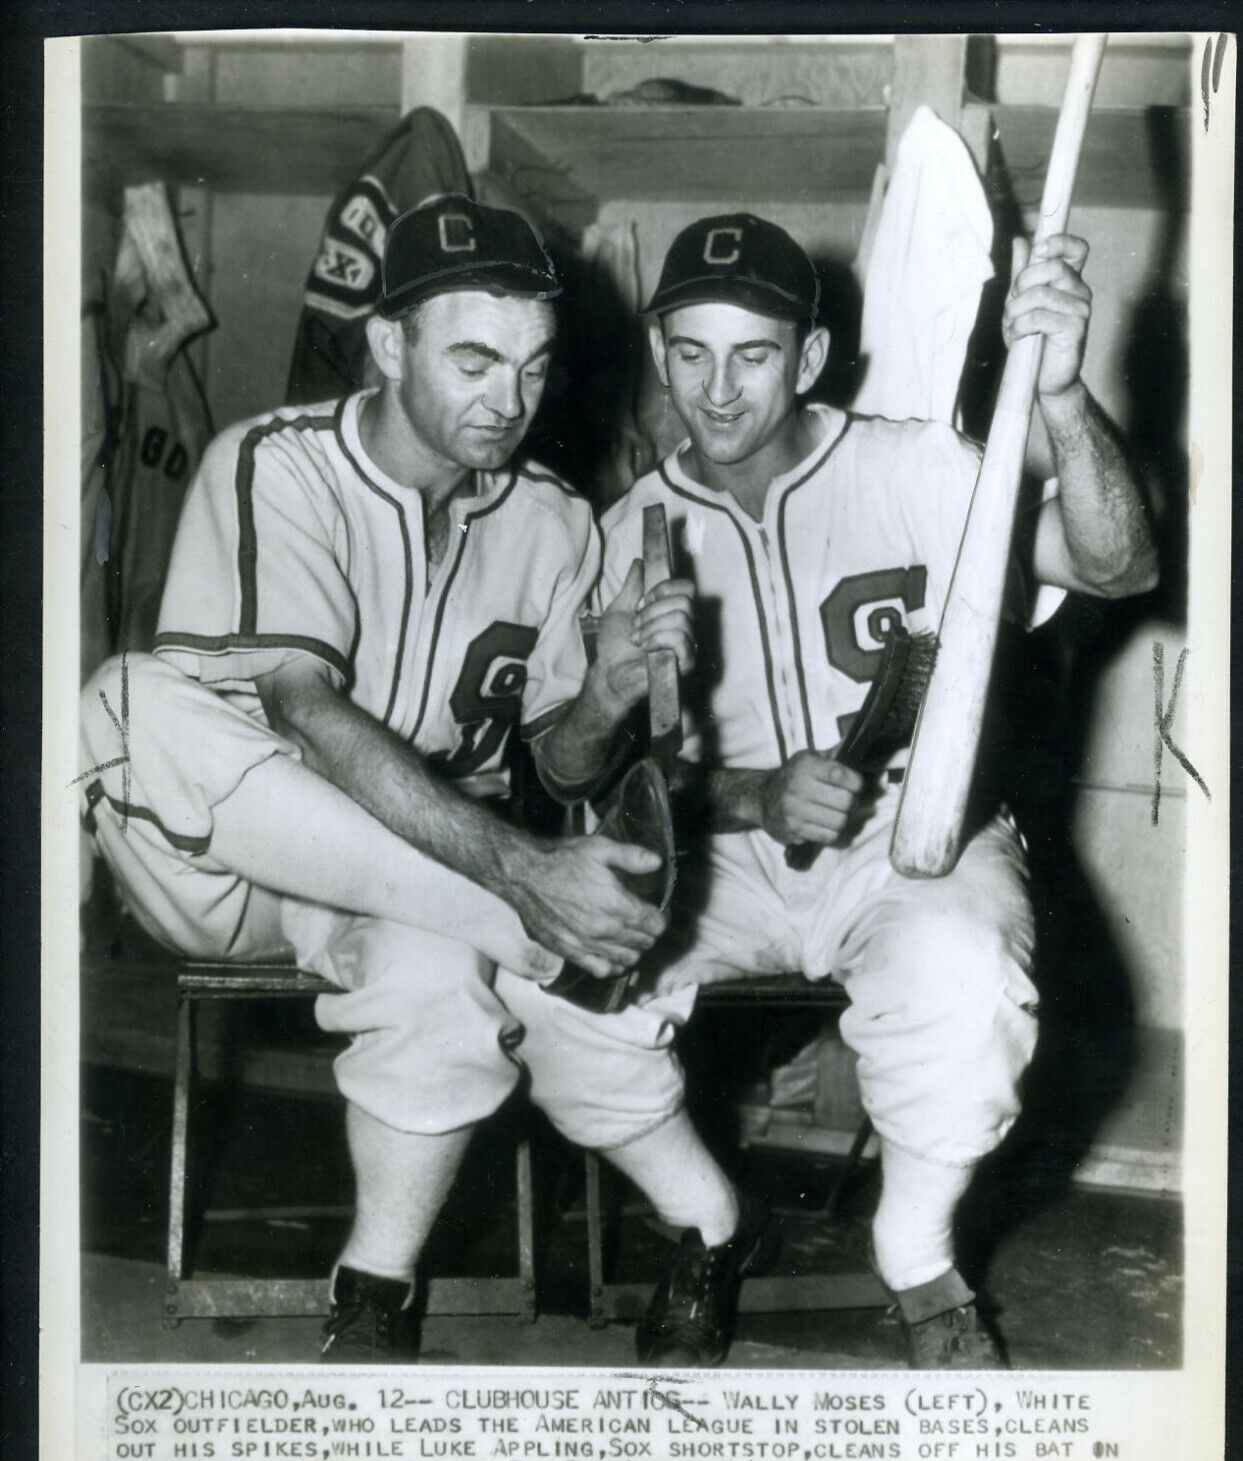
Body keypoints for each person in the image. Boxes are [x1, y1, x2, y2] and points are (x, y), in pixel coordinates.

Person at [79, 195, 755, 1363]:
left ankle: (379, 1297)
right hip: (241, 855)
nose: (511, 398)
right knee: (122, 704)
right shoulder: (276, 461)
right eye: (474, 359)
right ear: (388, 346)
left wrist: (602, 687)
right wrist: (519, 875)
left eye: (534, 366)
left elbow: (560, 762)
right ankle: (523, 927)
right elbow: (300, 708)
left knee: (441, 962)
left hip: (421, 880)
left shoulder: (554, 519)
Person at [587, 212, 1157, 1368]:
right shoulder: (620, 534)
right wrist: (751, 799)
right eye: (691, 352)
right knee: (551, 984)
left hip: (913, 826)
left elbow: (1119, 562)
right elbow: (612, 781)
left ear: (806, 358)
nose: (720, 388)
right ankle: (706, 1226)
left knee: (963, 977)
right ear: (658, 351)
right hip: (726, 853)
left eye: (753, 354)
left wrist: (1057, 396)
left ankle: (914, 1256)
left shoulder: (908, 466)